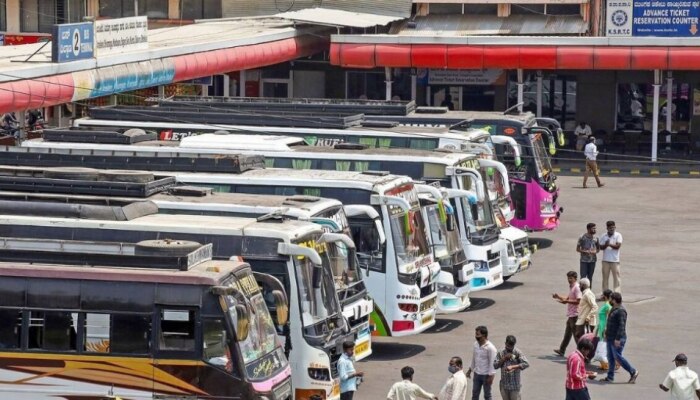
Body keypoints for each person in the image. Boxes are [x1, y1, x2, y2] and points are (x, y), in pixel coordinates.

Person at [600, 292, 639, 384]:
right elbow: (610, 323)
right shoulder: (614, 309)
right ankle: (610, 377)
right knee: (610, 357)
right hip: (610, 337)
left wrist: (617, 339)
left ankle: (633, 371)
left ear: (614, 300)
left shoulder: (621, 311)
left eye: (611, 299)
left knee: (617, 357)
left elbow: (621, 326)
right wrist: (606, 334)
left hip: (617, 338)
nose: (609, 301)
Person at [553, 271, 582, 357]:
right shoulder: (572, 287)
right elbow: (567, 299)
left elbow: (578, 301)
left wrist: (567, 301)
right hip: (570, 315)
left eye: (571, 278)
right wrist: (558, 297)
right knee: (567, 334)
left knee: (576, 336)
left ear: (575, 278)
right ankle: (562, 350)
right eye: (568, 278)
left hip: (575, 315)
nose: (569, 280)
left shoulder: (576, 288)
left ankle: (583, 354)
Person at [466, 326, 497, 400]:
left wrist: (491, 377)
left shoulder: (490, 348)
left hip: (486, 375)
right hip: (477, 374)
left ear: (484, 335)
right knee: (475, 394)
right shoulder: (476, 344)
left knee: (487, 395)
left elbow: (492, 363)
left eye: (478, 335)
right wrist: (470, 370)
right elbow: (474, 358)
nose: (476, 336)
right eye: (476, 334)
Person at [494, 335, 529, 400]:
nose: (509, 348)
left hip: (515, 387)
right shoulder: (501, 353)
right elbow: (495, 365)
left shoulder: (518, 352)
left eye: (511, 346)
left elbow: (526, 363)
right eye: (508, 346)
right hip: (504, 386)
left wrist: (513, 367)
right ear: (505, 343)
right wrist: (504, 358)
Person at [599, 220, 623, 293]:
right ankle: (605, 293)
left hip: (615, 260)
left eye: (613, 227)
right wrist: (606, 245)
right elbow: (600, 247)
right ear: (607, 228)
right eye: (610, 228)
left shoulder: (618, 235)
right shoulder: (603, 236)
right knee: (605, 278)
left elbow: (618, 246)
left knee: (616, 278)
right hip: (605, 260)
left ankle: (617, 293)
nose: (612, 229)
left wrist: (609, 244)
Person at [593, 289, 613, 370]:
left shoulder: (608, 305)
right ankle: (603, 363)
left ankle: (606, 364)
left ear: (605, 296)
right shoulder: (606, 304)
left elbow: (608, 318)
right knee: (602, 344)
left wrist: (605, 329)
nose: (601, 296)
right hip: (601, 326)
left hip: (604, 326)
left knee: (603, 345)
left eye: (602, 295)